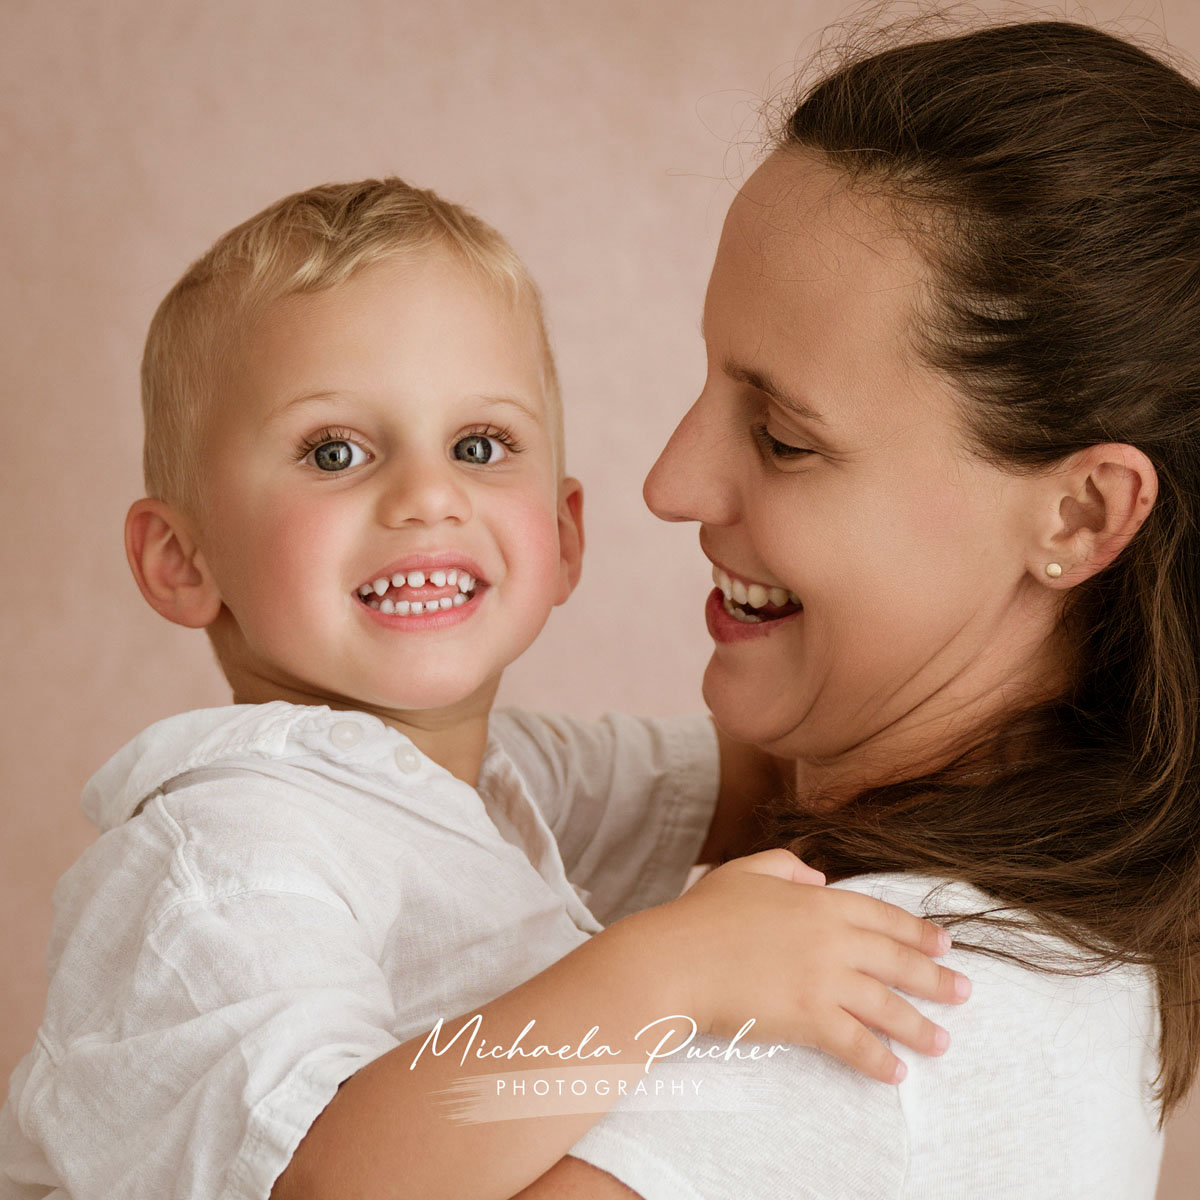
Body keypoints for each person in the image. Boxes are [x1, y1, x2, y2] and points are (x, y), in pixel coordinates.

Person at [0, 178, 968, 1200]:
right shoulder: (226, 857)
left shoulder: (499, 775)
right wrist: (669, 974)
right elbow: (325, 1184)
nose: (429, 497)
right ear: (182, 559)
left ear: (562, 536)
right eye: (335, 452)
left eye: (479, 447)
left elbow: (769, 774)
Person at [508, 17, 1200, 1199]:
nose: (669, 483)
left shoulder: (888, 1018)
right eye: (708, 382)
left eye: (785, 438)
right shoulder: (817, 866)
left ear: (1081, 515)